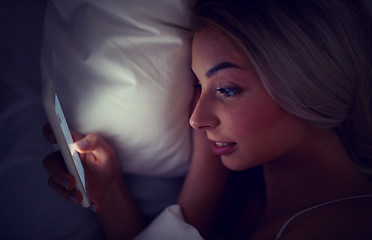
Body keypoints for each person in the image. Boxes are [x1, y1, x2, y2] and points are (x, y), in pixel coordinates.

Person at [43, 0, 372, 239]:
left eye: (227, 89)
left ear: (307, 81)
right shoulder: (248, 199)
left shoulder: (344, 226)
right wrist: (111, 191)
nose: (196, 120)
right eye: (197, 84)